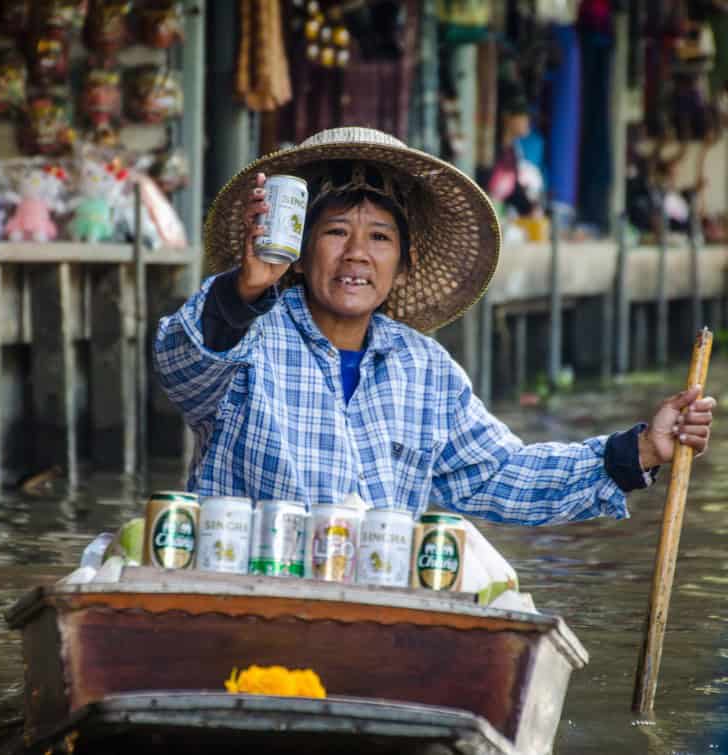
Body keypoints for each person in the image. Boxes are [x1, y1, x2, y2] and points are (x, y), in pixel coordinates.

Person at [153, 127, 716, 524]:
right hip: (246, 593)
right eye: (334, 232)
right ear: (298, 254)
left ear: (403, 263)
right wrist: (245, 288)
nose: (356, 254)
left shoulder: (423, 369)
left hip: (369, 613)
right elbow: (182, 367)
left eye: (379, 237)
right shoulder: (247, 333)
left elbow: (499, 475)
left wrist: (639, 449)